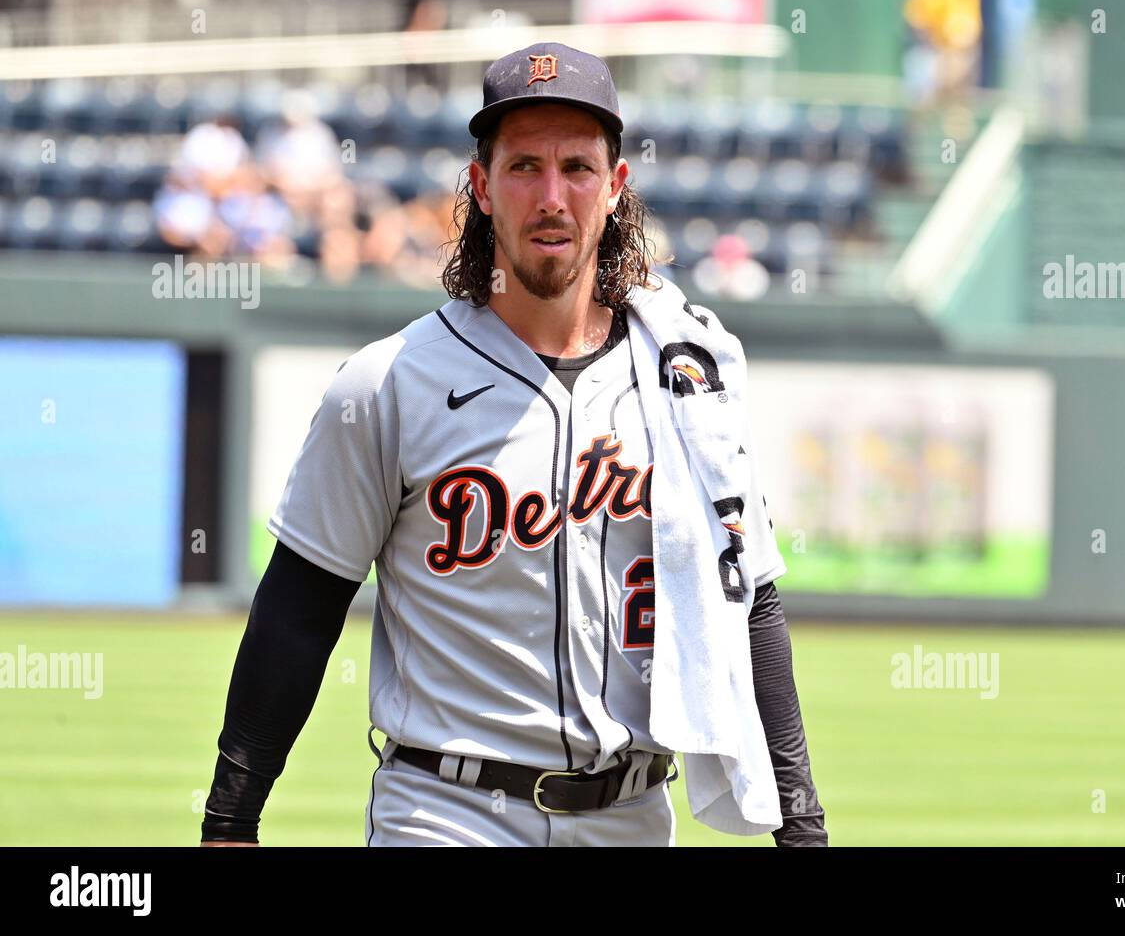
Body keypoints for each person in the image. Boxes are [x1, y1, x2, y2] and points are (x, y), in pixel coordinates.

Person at [201, 42, 826, 847]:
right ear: (482, 187)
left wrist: (802, 827)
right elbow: (299, 604)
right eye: (524, 166)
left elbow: (751, 601)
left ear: (615, 188)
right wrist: (230, 818)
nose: (552, 196)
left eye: (577, 167)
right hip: (444, 810)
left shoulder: (686, 382)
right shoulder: (391, 382)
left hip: (632, 814)